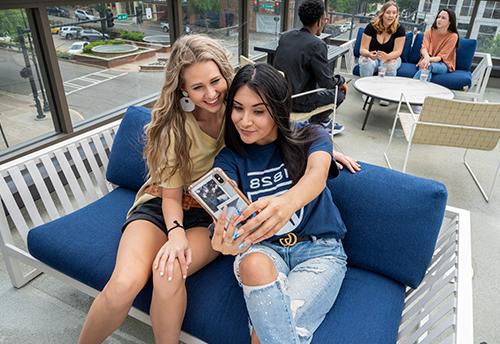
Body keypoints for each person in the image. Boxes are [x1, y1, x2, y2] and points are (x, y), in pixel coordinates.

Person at [78, 35, 358, 344]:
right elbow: (173, 195)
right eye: (198, 87)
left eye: (215, 82)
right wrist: (177, 235)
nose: (211, 94)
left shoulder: (239, 108)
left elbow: (286, 131)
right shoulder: (182, 130)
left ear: (226, 76)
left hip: (214, 214)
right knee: (123, 284)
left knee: (169, 272)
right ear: (183, 89)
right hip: (164, 204)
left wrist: (322, 151)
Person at [211, 63, 348, 343]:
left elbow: (316, 175)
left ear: (278, 109)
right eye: (238, 108)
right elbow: (227, 206)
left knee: (263, 335)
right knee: (253, 265)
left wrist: (285, 204)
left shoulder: (312, 135)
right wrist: (223, 238)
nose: (245, 120)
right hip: (263, 250)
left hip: (319, 252)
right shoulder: (230, 158)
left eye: (258, 111)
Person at [273, 0, 347, 136]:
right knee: (340, 93)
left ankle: (319, 122)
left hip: (278, 95)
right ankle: (317, 123)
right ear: (319, 21)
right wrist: (341, 81)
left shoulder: (286, 37)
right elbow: (327, 82)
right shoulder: (317, 45)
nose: (325, 22)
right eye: (325, 19)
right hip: (297, 101)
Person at [359, 1, 405, 79]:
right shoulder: (371, 27)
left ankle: (386, 90)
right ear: (382, 13)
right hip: (372, 58)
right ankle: (365, 88)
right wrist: (369, 54)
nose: (391, 15)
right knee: (366, 62)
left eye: (394, 13)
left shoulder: (400, 29)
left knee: (389, 65)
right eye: (388, 12)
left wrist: (387, 56)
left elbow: (398, 52)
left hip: (391, 57)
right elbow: (362, 49)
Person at [413, 8, 459, 82]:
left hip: (442, 64)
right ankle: (422, 92)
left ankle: (411, 88)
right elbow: (424, 48)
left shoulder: (453, 36)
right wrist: (427, 58)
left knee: (428, 66)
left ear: (450, 22)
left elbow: (441, 57)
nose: (439, 20)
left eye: (443, 18)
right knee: (426, 69)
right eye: (439, 17)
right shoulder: (429, 32)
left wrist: (428, 60)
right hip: (426, 60)